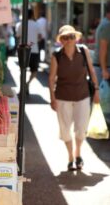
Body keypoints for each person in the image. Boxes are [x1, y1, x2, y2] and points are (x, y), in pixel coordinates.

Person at [48, 25, 100, 171]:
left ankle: (78, 153)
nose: (69, 40)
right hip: (63, 97)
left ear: (75, 38)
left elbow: (92, 71)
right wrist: (51, 98)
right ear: (61, 40)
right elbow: (51, 79)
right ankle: (70, 157)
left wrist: (96, 90)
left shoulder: (83, 51)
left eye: (71, 37)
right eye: (65, 37)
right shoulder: (56, 56)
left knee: (81, 128)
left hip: (82, 95)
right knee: (65, 130)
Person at [17, 9, 42, 95]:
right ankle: (27, 83)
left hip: (23, 51)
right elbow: (40, 37)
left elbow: (17, 35)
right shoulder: (37, 24)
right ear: (32, 15)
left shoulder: (21, 24)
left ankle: (23, 86)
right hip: (34, 49)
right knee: (34, 71)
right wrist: (34, 41)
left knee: (22, 71)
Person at [93, 0, 110, 83]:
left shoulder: (104, 22)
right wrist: (104, 70)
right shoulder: (107, 25)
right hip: (104, 68)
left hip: (102, 67)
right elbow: (103, 50)